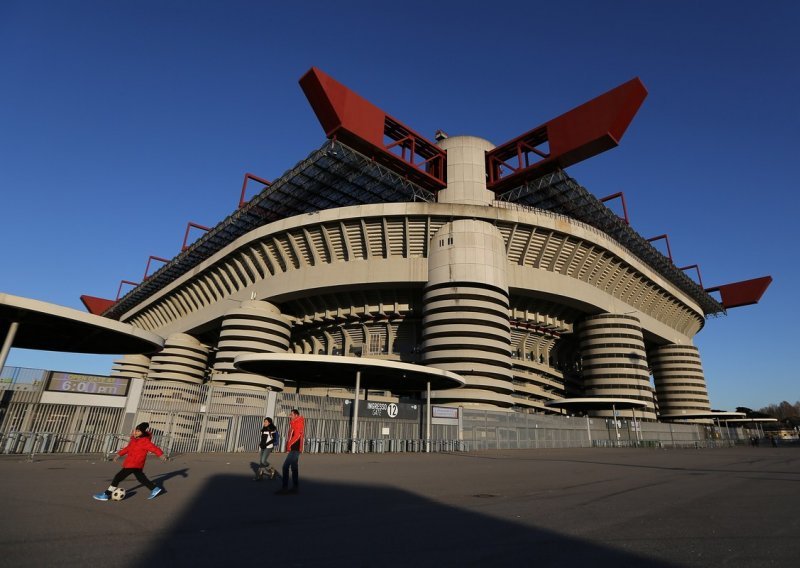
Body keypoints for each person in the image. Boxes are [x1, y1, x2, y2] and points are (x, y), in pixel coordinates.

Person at [93, 422, 167, 501]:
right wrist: (118, 455)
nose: (136, 432)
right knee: (141, 478)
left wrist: (161, 455)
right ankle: (154, 489)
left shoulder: (145, 441)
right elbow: (128, 448)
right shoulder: (134, 440)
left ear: (143, 433)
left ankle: (106, 494)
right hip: (135, 464)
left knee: (117, 477)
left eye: (138, 431)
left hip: (133, 463)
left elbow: (154, 448)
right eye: (135, 430)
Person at [275, 409, 304, 495]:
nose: (289, 416)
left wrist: (289, 445)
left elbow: (297, 435)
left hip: (295, 448)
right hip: (295, 448)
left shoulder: (298, 422)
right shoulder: (294, 423)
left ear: (296, 415)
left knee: (285, 467)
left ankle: (285, 488)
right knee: (294, 467)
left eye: (291, 415)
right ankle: (295, 487)